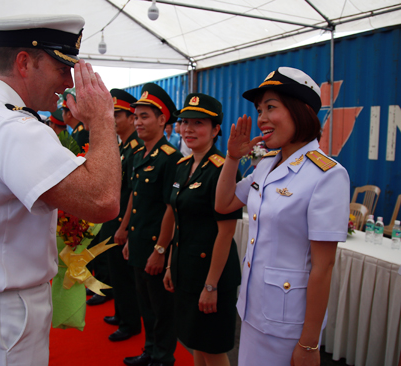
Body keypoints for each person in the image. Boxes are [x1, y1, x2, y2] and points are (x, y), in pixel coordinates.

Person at [0, 14, 120, 366]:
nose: (68, 82)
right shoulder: (13, 128)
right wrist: (102, 120)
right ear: (24, 62)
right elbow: (103, 201)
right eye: (62, 68)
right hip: (3, 314)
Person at [215, 67, 350, 366]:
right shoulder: (266, 164)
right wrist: (233, 158)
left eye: (271, 107)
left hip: (287, 323)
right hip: (253, 307)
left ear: (301, 111)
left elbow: (323, 266)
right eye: (259, 109)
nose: (261, 118)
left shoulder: (327, 175)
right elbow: (224, 204)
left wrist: (310, 345)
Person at [163, 93, 242, 366]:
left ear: (216, 129)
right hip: (187, 270)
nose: (188, 129)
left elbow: (226, 233)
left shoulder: (223, 170)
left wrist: (211, 285)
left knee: (213, 348)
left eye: (198, 123)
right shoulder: (183, 167)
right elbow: (178, 220)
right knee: (195, 341)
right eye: (185, 122)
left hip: (213, 274)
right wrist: (171, 266)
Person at [121, 83, 182, 366]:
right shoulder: (138, 155)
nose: (138, 122)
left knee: (162, 308)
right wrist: (129, 235)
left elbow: (172, 208)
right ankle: (150, 350)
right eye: (136, 116)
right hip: (140, 239)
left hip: (158, 245)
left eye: (145, 116)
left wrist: (160, 250)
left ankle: (163, 356)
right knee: (145, 303)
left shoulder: (171, 158)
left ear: (162, 120)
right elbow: (136, 196)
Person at [100, 88, 143, 341]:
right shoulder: (123, 146)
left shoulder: (136, 149)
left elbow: (133, 192)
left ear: (131, 117)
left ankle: (130, 322)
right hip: (114, 218)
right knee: (115, 270)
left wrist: (126, 226)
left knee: (126, 276)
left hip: (125, 221)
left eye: (119, 114)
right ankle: (121, 313)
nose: (114, 119)